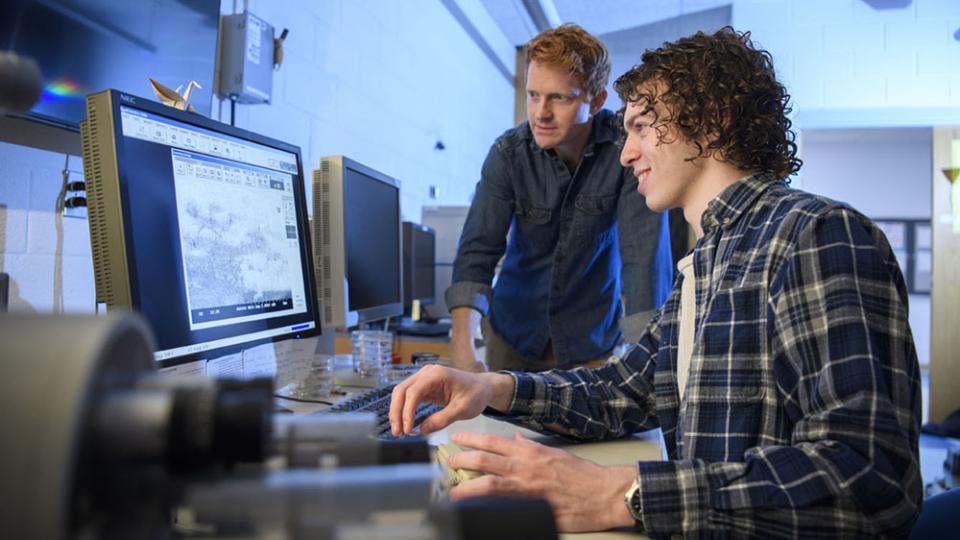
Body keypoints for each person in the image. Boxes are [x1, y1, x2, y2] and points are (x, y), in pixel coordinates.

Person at [391, 27, 922, 538]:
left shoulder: (815, 235)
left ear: (710, 124)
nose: (625, 154)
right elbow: (624, 391)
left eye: (642, 127)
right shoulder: (707, 264)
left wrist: (624, 493)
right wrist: (492, 388)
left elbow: (869, 478)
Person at [445, 24, 671, 373]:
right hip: (513, 338)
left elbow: (644, 261)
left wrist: (649, 361)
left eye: (559, 98)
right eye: (533, 95)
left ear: (596, 101)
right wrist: (462, 345)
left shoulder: (625, 153)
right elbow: (478, 251)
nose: (540, 113)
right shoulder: (508, 154)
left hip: (591, 344)